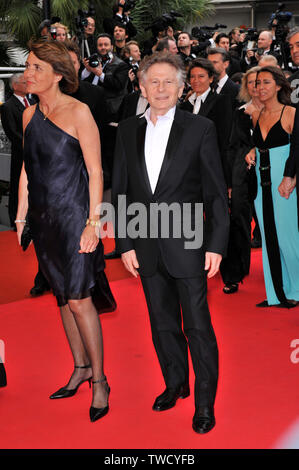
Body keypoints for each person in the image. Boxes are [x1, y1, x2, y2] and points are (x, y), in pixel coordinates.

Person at [112, 52, 230, 434]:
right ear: (141, 87)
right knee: (162, 324)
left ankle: (204, 402)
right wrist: (125, 242)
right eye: (153, 82)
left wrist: (216, 244)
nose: (160, 89)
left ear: (181, 89)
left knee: (197, 325)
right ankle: (175, 383)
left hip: (189, 241)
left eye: (169, 82)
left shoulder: (201, 128)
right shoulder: (127, 129)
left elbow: (215, 193)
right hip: (144, 242)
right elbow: (122, 190)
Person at [16, 38, 115, 422]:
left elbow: (96, 172)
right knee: (61, 296)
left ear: (58, 75)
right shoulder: (28, 116)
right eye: (28, 66)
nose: (28, 73)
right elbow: (28, 168)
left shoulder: (79, 112)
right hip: (44, 220)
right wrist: (23, 216)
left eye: (36, 68)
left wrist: (94, 223)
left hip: (75, 218)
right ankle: (80, 367)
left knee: (78, 298)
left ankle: (101, 381)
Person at [246, 66, 299, 308]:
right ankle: (276, 292)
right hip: (261, 180)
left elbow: (297, 149)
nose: (260, 87)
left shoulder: (291, 113)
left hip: (284, 181)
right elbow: (259, 144)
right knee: (268, 235)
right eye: (257, 83)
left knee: (288, 236)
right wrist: (251, 151)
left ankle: (296, 290)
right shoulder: (255, 115)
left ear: (278, 86)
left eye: (266, 82)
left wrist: (289, 177)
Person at [221, 66, 263, 293]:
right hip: (242, 175)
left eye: (261, 82)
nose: (256, 87)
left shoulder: (284, 111)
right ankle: (234, 275)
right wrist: (229, 182)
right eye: (251, 83)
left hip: (274, 174)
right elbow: (231, 148)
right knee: (238, 223)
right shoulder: (239, 112)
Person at [180, 58, 232, 184]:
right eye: (192, 77)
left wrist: (227, 179)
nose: (196, 80)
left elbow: (225, 141)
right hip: (187, 170)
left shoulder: (221, 102)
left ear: (210, 78)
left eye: (201, 76)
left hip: (212, 168)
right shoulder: (183, 107)